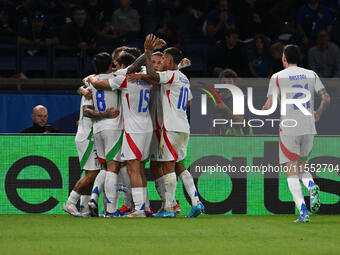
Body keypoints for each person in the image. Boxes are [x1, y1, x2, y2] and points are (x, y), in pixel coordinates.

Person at [137, 35, 204, 218]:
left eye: (164, 58)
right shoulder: (183, 78)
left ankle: (168, 208)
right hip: (184, 126)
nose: (162, 61)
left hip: (170, 126)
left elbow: (152, 75)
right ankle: (196, 202)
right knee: (179, 164)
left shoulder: (171, 75)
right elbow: (189, 102)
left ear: (169, 60)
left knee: (167, 166)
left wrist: (148, 52)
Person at [262, 44, 331, 223]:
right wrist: (318, 113)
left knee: (291, 170)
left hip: (289, 127)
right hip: (309, 126)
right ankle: (311, 185)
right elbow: (326, 98)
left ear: (284, 58)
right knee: (301, 167)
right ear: (298, 57)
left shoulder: (277, 77)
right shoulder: (311, 74)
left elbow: (269, 105)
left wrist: (263, 108)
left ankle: (303, 211)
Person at [88, 51, 155, 218]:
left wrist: (90, 79)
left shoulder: (123, 78)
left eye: (117, 63)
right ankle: (144, 206)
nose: (115, 66)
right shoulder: (147, 78)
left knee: (131, 168)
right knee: (139, 168)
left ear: (123, 67)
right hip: (148, 126)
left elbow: (98, 84)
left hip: (133, 128)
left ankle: (136, 209)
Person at [63, 85, 120, 217]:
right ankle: (71, 202)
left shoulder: (92, 86)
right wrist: (106, 114)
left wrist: (81, 89)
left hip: (90, 134)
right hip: (87, 136)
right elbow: (87, 111)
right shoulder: (92, 90)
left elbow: (83, 83)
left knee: (93, 172)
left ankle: (85, 208)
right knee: (92, 173)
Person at [83, 52, 124, 217]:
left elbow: (86, 111)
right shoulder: (115, 77)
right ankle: (111, 210)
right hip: (113, 126)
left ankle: (94, 197)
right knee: (113, 167)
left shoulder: (91, 82)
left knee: (105, 167)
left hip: (97, 128)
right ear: (111, 64)